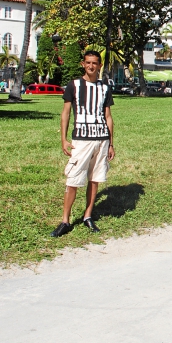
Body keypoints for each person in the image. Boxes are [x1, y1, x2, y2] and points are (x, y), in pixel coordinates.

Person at [51, 50, 115, 237]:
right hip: (81, 139)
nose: (91, 66)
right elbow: (65, 113)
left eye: (95, 63)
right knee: (73, 180)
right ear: (83, 64)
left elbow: (108, 117)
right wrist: (63, 139)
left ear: (100, 65)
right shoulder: (74, 85)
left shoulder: (105, 88)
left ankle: (88, 216)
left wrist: (111, 143)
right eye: (88, 63)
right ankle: (65, 220)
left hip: (101, 139)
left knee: (94, 179)